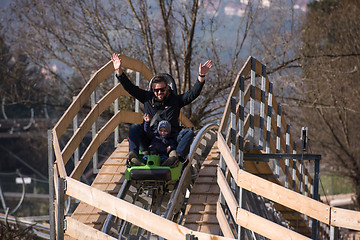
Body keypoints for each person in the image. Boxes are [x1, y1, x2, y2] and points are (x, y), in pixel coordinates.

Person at [111, 53, 212, 165]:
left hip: (171, 138)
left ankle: (176, 158)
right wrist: (119, 71)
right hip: (151, 138)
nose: (159, 92)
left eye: (162, 89)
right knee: (134, 127)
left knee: (188, 132)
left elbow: (192, 94)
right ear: (153, 90)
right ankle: (133, 156)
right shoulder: (147, 98)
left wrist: (201, 77)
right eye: (156, 90)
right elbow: (130, 88)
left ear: (167, 89)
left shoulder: (175, 100)